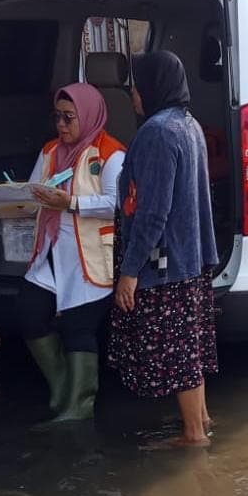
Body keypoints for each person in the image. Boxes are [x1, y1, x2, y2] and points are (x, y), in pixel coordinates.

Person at [108, 51, 219, 447]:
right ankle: (200, 421)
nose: (134, 95)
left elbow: (152, 212)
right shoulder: (188, 126)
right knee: (189, 345)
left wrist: (130, 270)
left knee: (177, 352)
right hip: (189, 258)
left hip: (164, 262)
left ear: (154, 86)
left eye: (137, 86)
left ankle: (192, 435)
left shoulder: (156, 133)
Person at [19, 83, 126, 422]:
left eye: (69, 118)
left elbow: (118, 204)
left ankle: (77, 407)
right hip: (50, 251)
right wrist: (17, 198)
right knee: (29, 312)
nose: (61, 126)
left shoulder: (110, 154)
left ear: (90, 115)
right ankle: (63, 388)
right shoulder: (50, 150)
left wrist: (73, 203)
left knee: (79, 327)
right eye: (58, 117)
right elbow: (34, 189)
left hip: (90, 254)